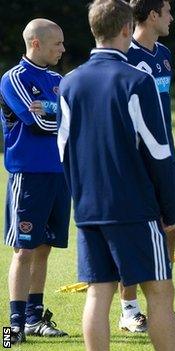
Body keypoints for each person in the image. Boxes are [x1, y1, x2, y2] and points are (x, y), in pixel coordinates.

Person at [57, 0, 175, 349]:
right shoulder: (138, 80)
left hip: (89, 208)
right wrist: (170, 209)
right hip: (135, 208)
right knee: (159, 290)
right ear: (127, 29)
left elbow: (63, 150)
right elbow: (158, 152)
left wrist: (82, 198)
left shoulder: (69, 82)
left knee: (98, 293)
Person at [118, 0, 175, 332]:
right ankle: (128, 311)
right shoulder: (125, 55)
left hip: (166, 156)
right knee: (136, 233)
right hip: (135, 161)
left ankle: (161, 310)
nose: (171, 17)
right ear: (152, 16)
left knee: (171, 227)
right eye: (167, 11)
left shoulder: (164, 54)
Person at [0, 18, 69, 345]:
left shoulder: (58, 79)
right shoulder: (13, 79)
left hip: (60, 175)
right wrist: (59, 117)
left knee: (44, 248)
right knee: (24, 250)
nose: (63, 49)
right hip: (28, 175)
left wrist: (55, 113)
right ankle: (11, 327)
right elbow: (37, 120)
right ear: (36, 43)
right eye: (57, 43)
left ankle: (33, 318)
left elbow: (72, 117)